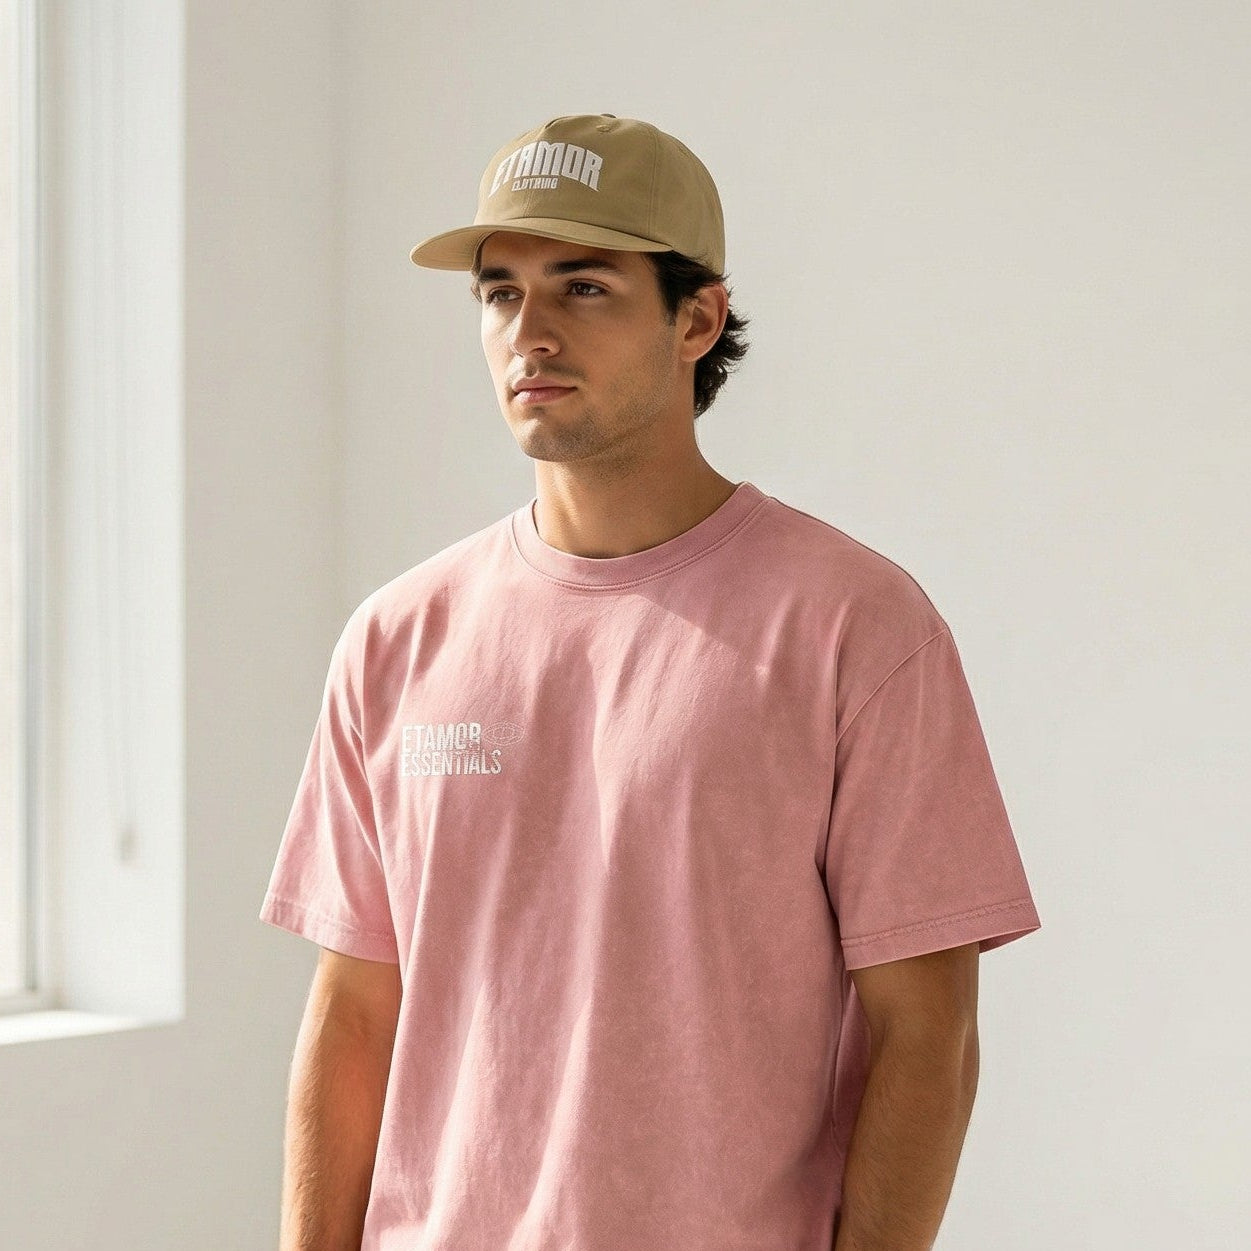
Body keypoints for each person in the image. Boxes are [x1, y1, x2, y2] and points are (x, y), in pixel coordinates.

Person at [259, 112, 1042, 1251]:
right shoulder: (397, 637)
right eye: (500, 293)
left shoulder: (854, 626)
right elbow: (353, 1011)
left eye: (583, 288)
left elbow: (929, 1033)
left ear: (698, 318)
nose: (530, 331)